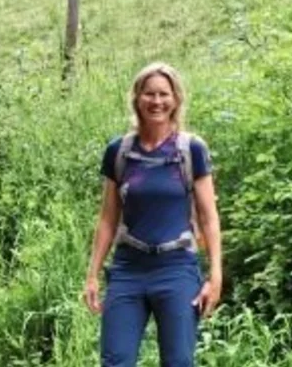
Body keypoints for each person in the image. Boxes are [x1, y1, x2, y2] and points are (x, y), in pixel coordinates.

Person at [81, 62, 223, 367]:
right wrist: (92, 274)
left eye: (163, 94)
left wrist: (215, 275)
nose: (156, 102)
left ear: (175, 100)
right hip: (128, 268)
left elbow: (209, 217)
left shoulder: (191, 150)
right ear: (137, 98)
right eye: (149, 94)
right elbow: (107, 218)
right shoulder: (119, 151)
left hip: (177, 269)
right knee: (115, 360)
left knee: (178, 362)